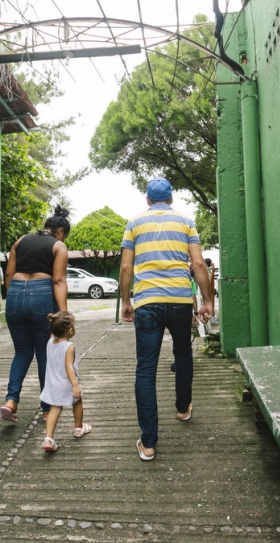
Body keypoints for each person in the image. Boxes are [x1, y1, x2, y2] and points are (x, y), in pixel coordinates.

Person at [119, 177, 213, 462]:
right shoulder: (186, 221)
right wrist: (207, 299)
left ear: (147, 200)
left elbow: (125, 266)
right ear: (171, 199)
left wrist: (126, 301)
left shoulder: (134, 223)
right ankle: (183, 409)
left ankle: (148, 443)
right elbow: (197, 264)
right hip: (180, 302)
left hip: (147, 302)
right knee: (183, 353)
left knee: (145, 368)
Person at [0, 205, 71, 423]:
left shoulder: (20, 240)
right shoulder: (58, 246)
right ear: (60, 231)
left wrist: (14, 297)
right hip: (42, 294)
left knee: (21, 352)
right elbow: (58, 281)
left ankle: (11, 401)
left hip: (14, 295)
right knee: (44, 354)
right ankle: (47, 409)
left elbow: (9, 274)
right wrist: (64, 313)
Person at [39, 311, 91, 452]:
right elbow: (69, 366)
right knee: (78, 401)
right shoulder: (69, 346)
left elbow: (53, 334)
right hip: (67, 383)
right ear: (69, 331)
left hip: (53, 384)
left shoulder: (50, 342)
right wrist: (75, 385)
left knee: (54, 409)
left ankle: (48, 438)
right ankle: (78, 428)